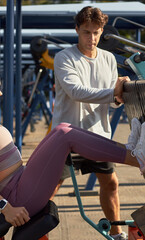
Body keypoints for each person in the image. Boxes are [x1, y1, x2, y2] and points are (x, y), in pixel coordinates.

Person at [0, 62, 145, 231]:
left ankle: (130, 149)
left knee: (62, 127)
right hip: (16, 196)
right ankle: (140, 159)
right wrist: (6, 208)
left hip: (21, 181)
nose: (0, 92)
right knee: (64, 135)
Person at [51, 6, 132, 239]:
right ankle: (29, 230)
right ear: (77, 30)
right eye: (87, 32)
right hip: (69, 136)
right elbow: (76, 91)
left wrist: (119, 96)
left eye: (96, 33)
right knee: (50, 187)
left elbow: (113, 100)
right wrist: (113, 93)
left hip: (97, 135)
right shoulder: (64, 57)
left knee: (111, 183)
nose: (92, 38)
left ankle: (117, 233)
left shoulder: (108, 59)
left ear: (102, 31)